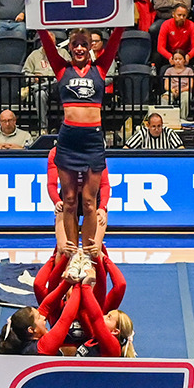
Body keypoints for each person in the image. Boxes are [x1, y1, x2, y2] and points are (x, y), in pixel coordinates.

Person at [37, 28, 121, 254]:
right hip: (68, 140)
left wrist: (126, 7)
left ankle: (90, 254)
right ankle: (74, 255)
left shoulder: (100, 68)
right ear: (70, 48)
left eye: (84, 44)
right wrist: (36, 17)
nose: (80, 48)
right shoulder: (62, 69)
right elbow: (46, 42)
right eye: (76, 44)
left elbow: (115, 40)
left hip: (92, 140)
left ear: (91, 46)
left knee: (89, 202)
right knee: (70, 201)